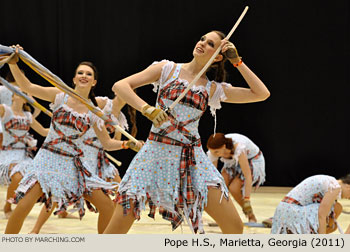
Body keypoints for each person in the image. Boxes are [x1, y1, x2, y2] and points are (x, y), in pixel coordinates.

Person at [103, 30, 270, 234]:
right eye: (202, 39)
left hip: (192, 159)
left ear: (218, 57)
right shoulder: (167, 69)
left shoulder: (211, 89)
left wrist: (237, 61)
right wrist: (147, 109)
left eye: (210, 44)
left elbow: (261, 93)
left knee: (234, 227)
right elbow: (120, 86)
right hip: (155, 154)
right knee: (115, 231)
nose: (202, 43)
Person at [4, 52, 142, 234]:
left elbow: (107, 143)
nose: (84, 76)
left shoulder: (95, 110)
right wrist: (13, 63)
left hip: (74, 165)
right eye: (80, 73)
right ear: (74, 79)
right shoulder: (59, 96)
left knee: (107, 206)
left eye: (89, 74)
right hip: (48, 159)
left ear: (94, 82)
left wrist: (127, 144)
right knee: (24, 204)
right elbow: (27, 86)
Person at [29, 95, 130, 234]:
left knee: (122, 191)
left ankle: (109, 230)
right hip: (82, 153)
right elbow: (83, 116)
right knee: (57, 192)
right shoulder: (102, 103)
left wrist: (119, 135)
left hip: (98, 156)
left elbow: (112, 141)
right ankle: (35, 230)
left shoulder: (120, 117)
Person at [0, 89, 48, 218]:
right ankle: (7, 207)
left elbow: (43, 131)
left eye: (24, 93)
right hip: (6, 153)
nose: (20, 94)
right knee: (17, 177)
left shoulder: (27, 115)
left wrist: (61, 129)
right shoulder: (5, 109)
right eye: (17, 92)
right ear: (13, 96)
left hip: (23, 155)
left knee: (41, 177)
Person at [206, 132, 265, 223]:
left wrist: (247, 199)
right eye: (212, 152)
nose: (214, 154)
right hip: (233, 162)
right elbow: (214, 175)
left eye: (216, 152)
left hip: (252, 160)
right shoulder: (214, 151)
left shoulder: (238, 148)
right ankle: (224, 217)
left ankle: (250, 215)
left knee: (234, 188)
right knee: (220, 187)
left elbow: (248, 175)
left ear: (224, 146)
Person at [271, 174, 350, 234]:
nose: (349, 198)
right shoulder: (335, 187)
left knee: (334, 212)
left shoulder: (330, 181)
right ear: (348, 187)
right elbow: (321, 215)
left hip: (283, 212)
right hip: (292, 213)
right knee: (335, 208)